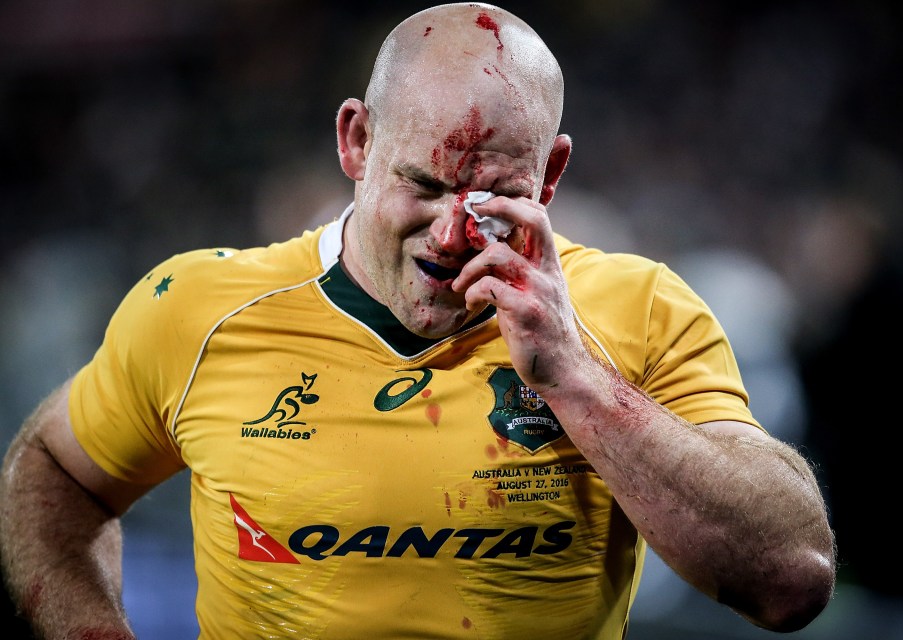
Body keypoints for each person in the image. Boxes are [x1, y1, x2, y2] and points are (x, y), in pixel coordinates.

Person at [0, 3, 835, 638]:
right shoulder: (198, 308)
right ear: (356, 141)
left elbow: (791, 577)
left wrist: (577, 378)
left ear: (550, 175)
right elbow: (52, 472)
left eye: (493, 197)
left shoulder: (639, 309)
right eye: (425, 186)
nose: (450, 235)